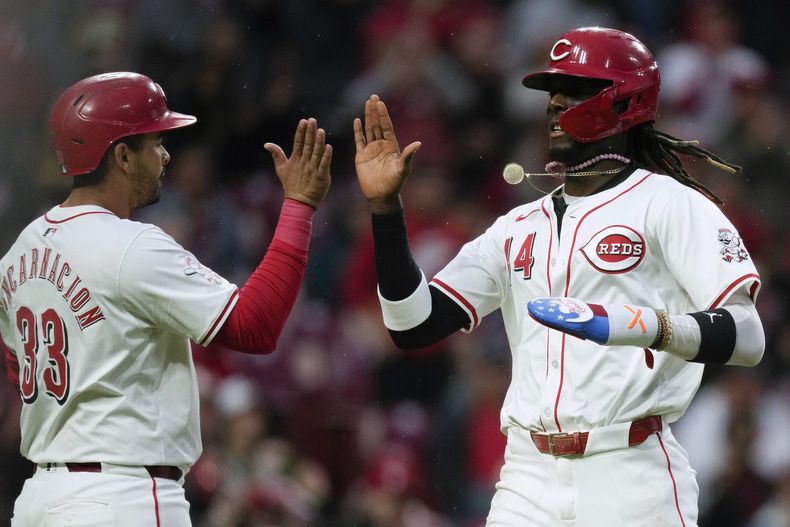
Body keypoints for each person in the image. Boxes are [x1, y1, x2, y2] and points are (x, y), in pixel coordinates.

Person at [353, 27, 765, 526]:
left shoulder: (670, 204)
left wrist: (635, 325)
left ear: (623, 102)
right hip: (528, 476)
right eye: (552, 93)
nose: (555, 105)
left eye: (576, 90)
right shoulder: (516, 226)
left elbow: (747, 336)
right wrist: (385, 210)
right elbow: (412, 325)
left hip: (631, 470)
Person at [0, 71, 331, 526]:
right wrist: (298, 207)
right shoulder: (131, 245)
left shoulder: (21, 249)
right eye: (155, 142)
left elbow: (19, 371)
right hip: (123, 497)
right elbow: (256, 325)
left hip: (40, 498)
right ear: (121, 155)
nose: (165, 155)